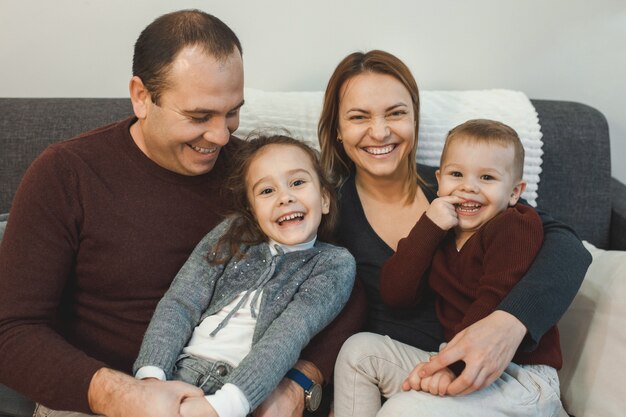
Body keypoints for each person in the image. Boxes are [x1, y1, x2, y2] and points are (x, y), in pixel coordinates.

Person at [295, 50, 589, 415]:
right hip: (419, 370)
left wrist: (509, 322)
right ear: (337, 129)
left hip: (499, 375)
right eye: (359, 117)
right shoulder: (329, 211)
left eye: (396, 113)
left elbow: (567, 247)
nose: (381, 131)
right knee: (360, 352)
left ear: (415, 119)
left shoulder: (465, 185)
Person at [0, 9, 249, 416]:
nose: (221, 136)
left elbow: (332, 281)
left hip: (226, 398)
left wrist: (299, 383)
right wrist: (124, 396)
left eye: (233, 112)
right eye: (199, 116)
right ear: (141, 97)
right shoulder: (67, 174)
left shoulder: (258, 175)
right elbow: (10, 331)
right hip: (97, 400)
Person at [333, 119, 562, 417]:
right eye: (457, 174)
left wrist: (452, 369)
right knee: (358, 352)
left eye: (487, 178)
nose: (469, 187)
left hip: (521, 378)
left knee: (404, 409)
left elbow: (492, 301)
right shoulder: (440, 233)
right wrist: (429, 226)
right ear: (440, 180)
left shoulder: (514, 225)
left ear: (515, 192)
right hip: (453, 359)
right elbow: (395, 293)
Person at [132, 134, 355, 417]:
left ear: (324, 199)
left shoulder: (333, 263)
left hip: (245, 393)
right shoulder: (233, 233)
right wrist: (151, 378)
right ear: (253, 211)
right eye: (266, 191)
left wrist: (226, 405)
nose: (285, 197)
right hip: (181, 372)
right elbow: (181, 301)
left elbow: (288, 335)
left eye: (298, 183)